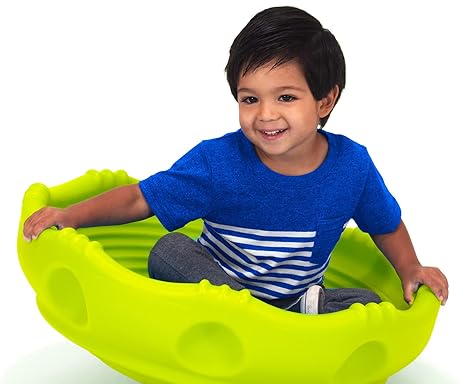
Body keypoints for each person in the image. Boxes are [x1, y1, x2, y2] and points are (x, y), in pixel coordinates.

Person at [23, 6, 448, 314]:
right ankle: (251, 315)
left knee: (369, 303)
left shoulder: (351, 167)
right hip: (215, 289)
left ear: (325, 100)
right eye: (250, 99)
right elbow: (140, 199)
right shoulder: (218, 161)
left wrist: (410, 267)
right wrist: (70, 216)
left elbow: (384, 223)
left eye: (286, 97)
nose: (266, 115)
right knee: (170, 250)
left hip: (295, 298)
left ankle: (284, 316)